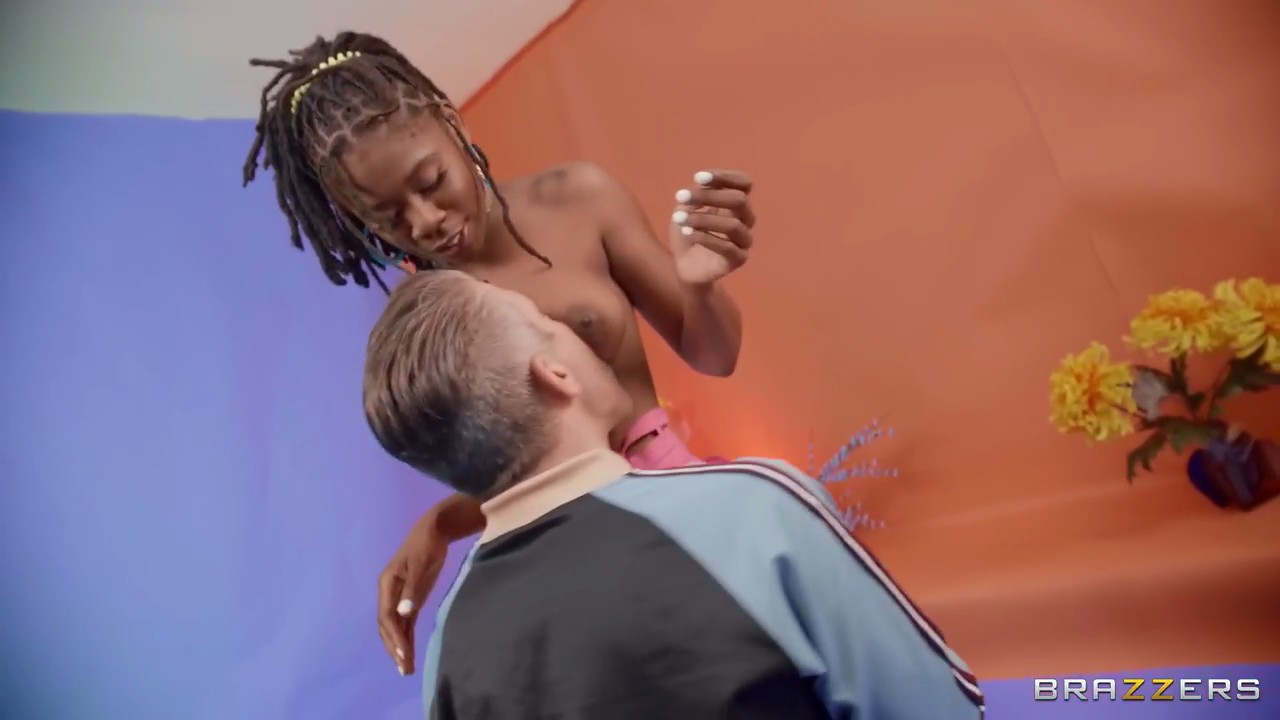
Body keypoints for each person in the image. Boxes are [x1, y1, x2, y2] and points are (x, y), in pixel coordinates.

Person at [241, 32, 756, 673]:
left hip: (678, 498)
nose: (424, 221)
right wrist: (439, 524)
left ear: (452, 124)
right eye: (386, 217)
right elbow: (517, 467)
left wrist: (700, 287)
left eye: (431, 182)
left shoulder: (581, 199)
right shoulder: (433, 316)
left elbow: (716, 356)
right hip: (575, 552)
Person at [361, 270, 986, 719]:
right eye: (546, 323)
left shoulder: (450, 646)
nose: (572, 330)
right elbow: (936, 705)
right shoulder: (754, 511)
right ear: (555, 375)